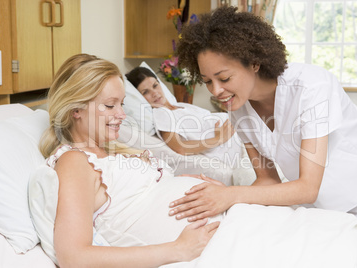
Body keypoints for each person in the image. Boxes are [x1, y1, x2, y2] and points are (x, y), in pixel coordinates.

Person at [167, 6, 357, 222]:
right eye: (207, 81)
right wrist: (224, 200)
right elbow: (267, 179)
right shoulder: (238, 109)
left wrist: (232, 194)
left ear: (254, 63)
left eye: (224, 78)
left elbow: (307, 188)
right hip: (323, 207)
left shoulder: (312, 87)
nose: (216, 91)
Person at [30, 53, 221, 267]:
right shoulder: (75, 161)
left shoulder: (112, 151)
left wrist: (181, 185)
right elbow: (74, 257)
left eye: (121, 104)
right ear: (76, 109)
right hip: (201, 251)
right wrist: (179, 249)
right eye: (111, 106)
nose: (122, 114)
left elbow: (141, 199)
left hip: (219, 232)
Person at [125, 66, 243, 173]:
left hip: (242, 134)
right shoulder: (161, 113)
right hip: (237, 149)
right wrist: (218, 139)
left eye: (155, 85)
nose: (155, 93)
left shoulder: (182, 105)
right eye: (146, 92)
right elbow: (179, 147)